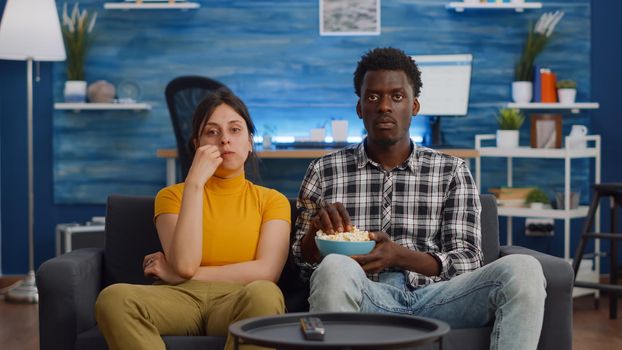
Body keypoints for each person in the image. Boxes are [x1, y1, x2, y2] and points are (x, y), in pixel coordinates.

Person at [292, 47, 546, 350]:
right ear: (360, 108)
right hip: (365, 295)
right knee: (332, 267)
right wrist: (315, 236)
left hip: (440, 298)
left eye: (396, 97)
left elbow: (468, 260)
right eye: (373, 97)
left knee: (525, 269)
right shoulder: (324, 170)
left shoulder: (452, 170)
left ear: (414, 106)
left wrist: (398, 256)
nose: (384, 106)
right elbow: (302, 264)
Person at [96, 89, 291, 350]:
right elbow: (185, 265)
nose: (224, 140)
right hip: (177, 298)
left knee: (266, 294)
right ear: (197, 145)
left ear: (249, 142)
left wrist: (178, 274)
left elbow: (266, 272)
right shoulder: (171, 196)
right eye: (212, 132)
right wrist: (195, 183)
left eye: (235, 130)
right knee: (113, 298)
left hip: (238, 299)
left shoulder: (272, 200)